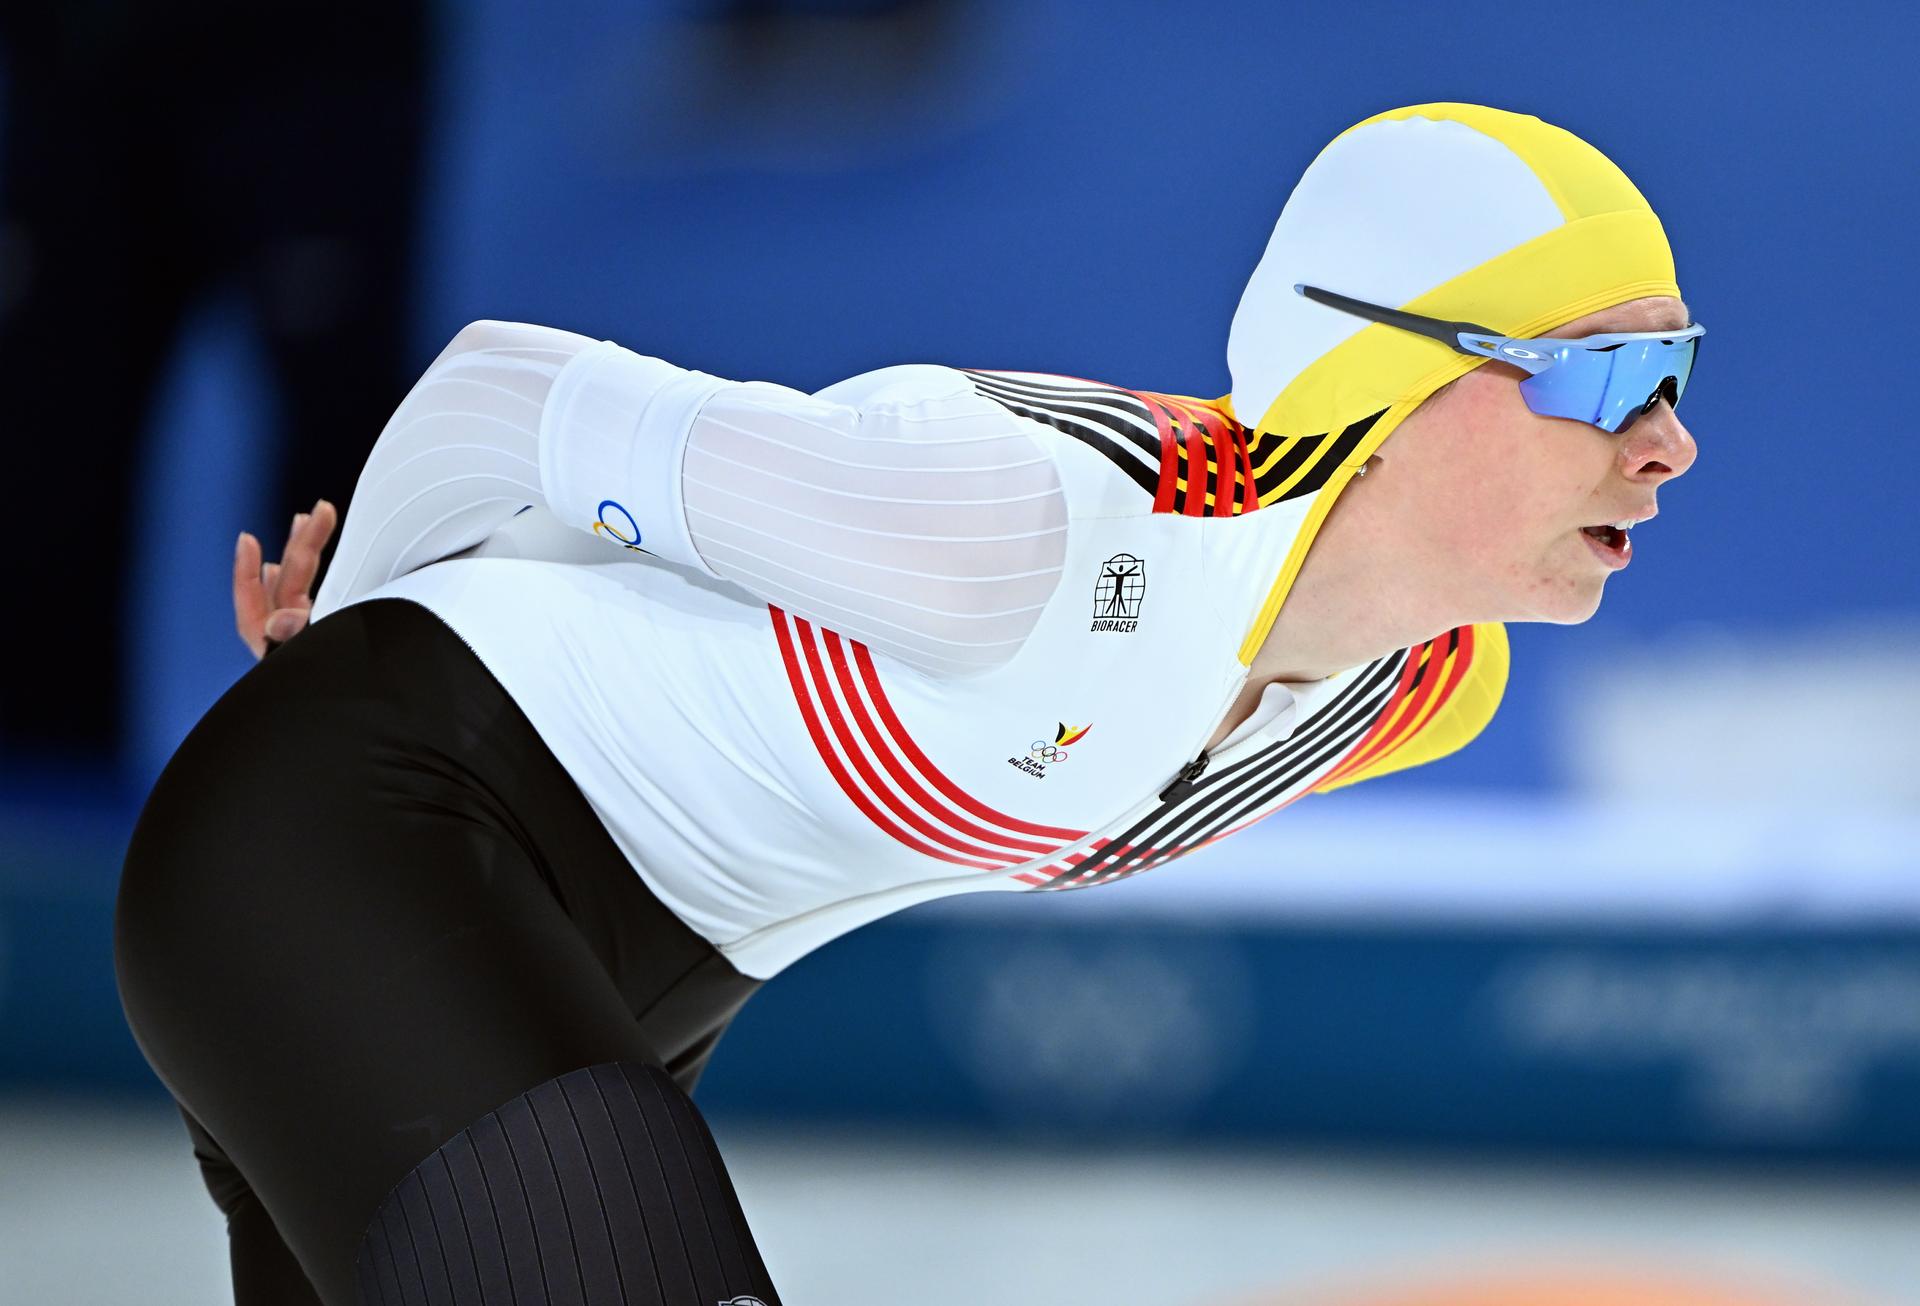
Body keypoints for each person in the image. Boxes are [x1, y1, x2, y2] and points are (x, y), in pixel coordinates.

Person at [114, 102, 1702, 1306]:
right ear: (1384, 366)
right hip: (366, 846)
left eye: (1678, 372)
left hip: (593, 981)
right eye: (1608, 375)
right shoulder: (1021, 522)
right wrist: (345, 646)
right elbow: (504, 396)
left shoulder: (1425, 687)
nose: (1668, 438)